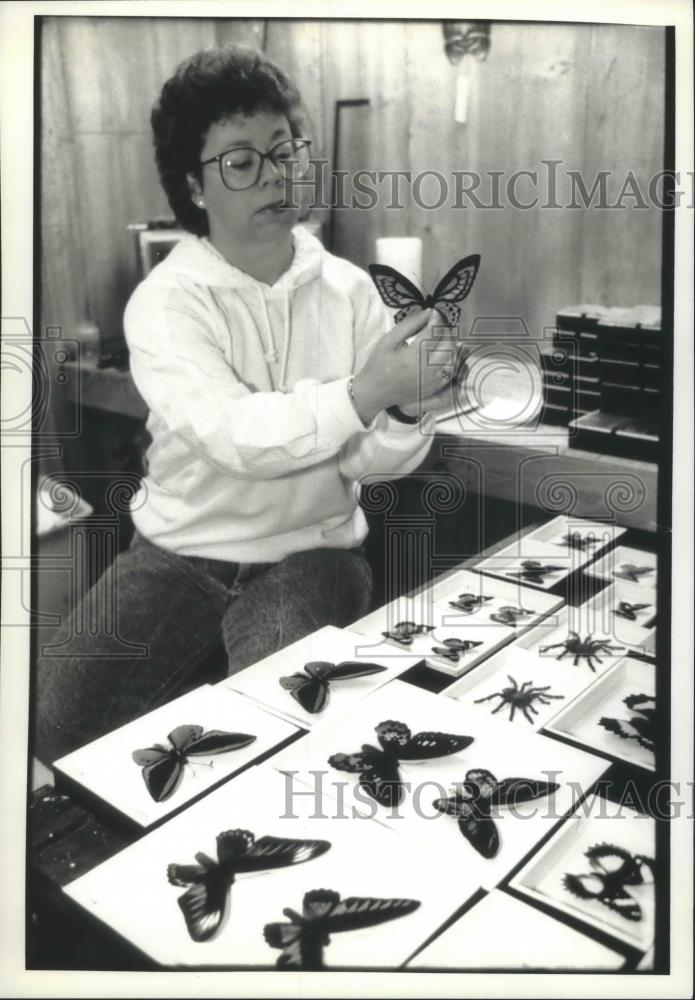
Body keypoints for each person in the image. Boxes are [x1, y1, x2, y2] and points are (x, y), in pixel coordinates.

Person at [33, 44, 462, 764]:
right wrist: (366, 392)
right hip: (175, 552)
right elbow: (232, 435)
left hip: (310, 555)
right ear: (194, 187)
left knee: (277, 739)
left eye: (283, 150)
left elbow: (367, 461)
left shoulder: (354, 291)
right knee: (53, 724)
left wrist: (408, 407)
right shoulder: (165, 303)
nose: (275, 175)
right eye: (240, 161)